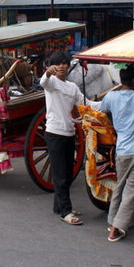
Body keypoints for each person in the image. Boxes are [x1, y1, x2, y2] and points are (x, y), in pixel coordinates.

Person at [40, 51, 99, 226]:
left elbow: (86, 104)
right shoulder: (50, 83)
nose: (62, 66)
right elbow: (43, 81)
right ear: (53, 65)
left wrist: (108, 103)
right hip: (54, 133)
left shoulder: (72, 87)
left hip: (69, 133)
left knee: (66, 172)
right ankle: (66, 212)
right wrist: (47, 72)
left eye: (65, 63)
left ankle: (59, 206)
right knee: (60, 175)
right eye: (58, 63)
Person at [98, 65, 134, 242]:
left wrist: (113, 125)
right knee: (130, 192)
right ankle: (116, 228)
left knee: (120, 187)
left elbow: (101, 112)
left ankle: (113, 220)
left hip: (121, 151)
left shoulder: (111, 97)